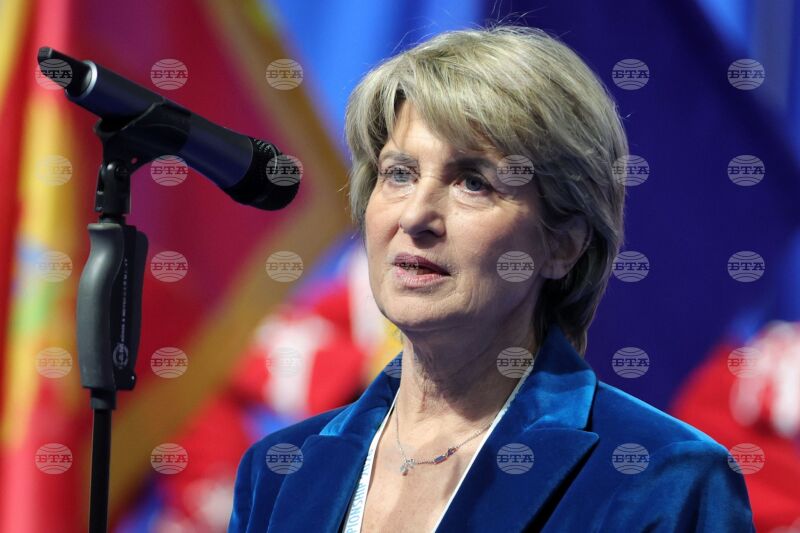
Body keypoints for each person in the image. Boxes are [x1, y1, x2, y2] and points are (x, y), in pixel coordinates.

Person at [228, 25, 755, 532]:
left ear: (562, 245)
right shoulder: (279, 473)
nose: (415, 216)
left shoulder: (663, 479)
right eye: (399, 174)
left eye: (473, 182)